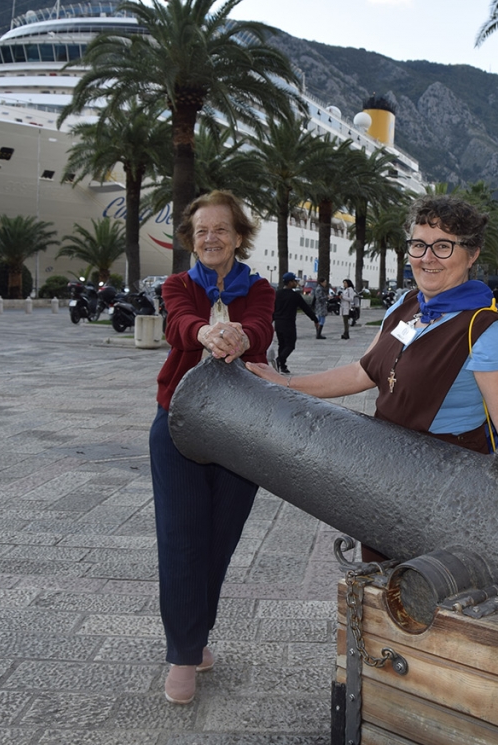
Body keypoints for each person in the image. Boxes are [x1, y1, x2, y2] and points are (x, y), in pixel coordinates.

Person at [249, 195, 498, 454]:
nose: (427, 258)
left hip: (444, 473)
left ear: (472, 254)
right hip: (385, 458)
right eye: (418, 245)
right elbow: (362, 371)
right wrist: (286, 383)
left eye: (443, 246)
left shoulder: (485, 328)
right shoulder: (406, 304)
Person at [149, 190, 274, 706]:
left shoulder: (259, 289)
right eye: (201, 230)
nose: (210, 238)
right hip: (178, 424)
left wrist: (241, 338)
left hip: (242, 429)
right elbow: (178, 323)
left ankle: (196, 634)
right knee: (181, 539)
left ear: (238, 237)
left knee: (220, 540)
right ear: (191, 239)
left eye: (221, 229)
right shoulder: (177, 284)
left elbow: (261, 328)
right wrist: (205, 333)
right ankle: (183, 654)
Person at [273, 272, 321, 373]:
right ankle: (280, 359)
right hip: (288, 324)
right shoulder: (295, 296)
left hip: (278, 323)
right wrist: (315, 320)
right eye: (295, 281)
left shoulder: (277, 294)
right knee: (290, 345)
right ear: (290, 282)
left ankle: (283, 366)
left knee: (282, 344)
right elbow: (306, 308)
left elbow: (273, 309)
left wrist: (270, 321)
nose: (296, 283)